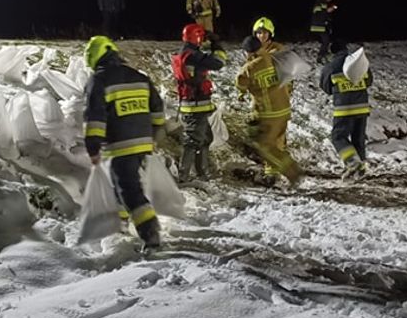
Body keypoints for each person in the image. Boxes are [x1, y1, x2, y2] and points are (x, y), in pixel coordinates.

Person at [83, 35, 166, 248]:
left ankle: (150, 232)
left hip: (122, 144)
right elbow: (157, 107)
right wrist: (156, 133)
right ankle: (120, 221)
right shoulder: (138, 76)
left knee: (129, 188)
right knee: (120, 181)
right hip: (143, 143)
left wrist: (92, 145)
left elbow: (95, 117)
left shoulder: (99, 80)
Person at [236, 17, 302, 186]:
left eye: (264, 32)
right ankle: (272, 171)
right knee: (271, 140)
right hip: (269, 103)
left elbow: (245, 79)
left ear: (270, 34)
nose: (261, 36)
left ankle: (278, 172)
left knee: (270, 142)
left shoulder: (276, 52)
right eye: (258, 32)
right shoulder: (259, 53)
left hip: (273, 104)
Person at [171, 22, 227, 183]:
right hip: (195, 105)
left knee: (205, 139)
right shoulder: (193, 56)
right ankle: (184, 176)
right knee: (193, 141)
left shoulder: (187, 53)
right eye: (201, 37)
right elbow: (219, 62)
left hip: (194, 104)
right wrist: (216, 44)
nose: (203, 40)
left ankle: (201, 173)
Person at [320, 37, 372, 180]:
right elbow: (369, 81)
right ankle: (360, 169)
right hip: (362, 107)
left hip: (344, 108)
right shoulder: (357, 62)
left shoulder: (331, 66)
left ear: (332, 52)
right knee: (358, 139)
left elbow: (325, 87)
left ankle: (353, 163)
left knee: (338, 137)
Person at [309, 0, 338, 64]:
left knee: (326, 40)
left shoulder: (321, 1)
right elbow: (319, 13)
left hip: (319, 25)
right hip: (318, 25)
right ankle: (321, 56)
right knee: (326, 41)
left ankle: (324, 54)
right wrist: (329, 10)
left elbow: (322, 14)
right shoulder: (322, 1)